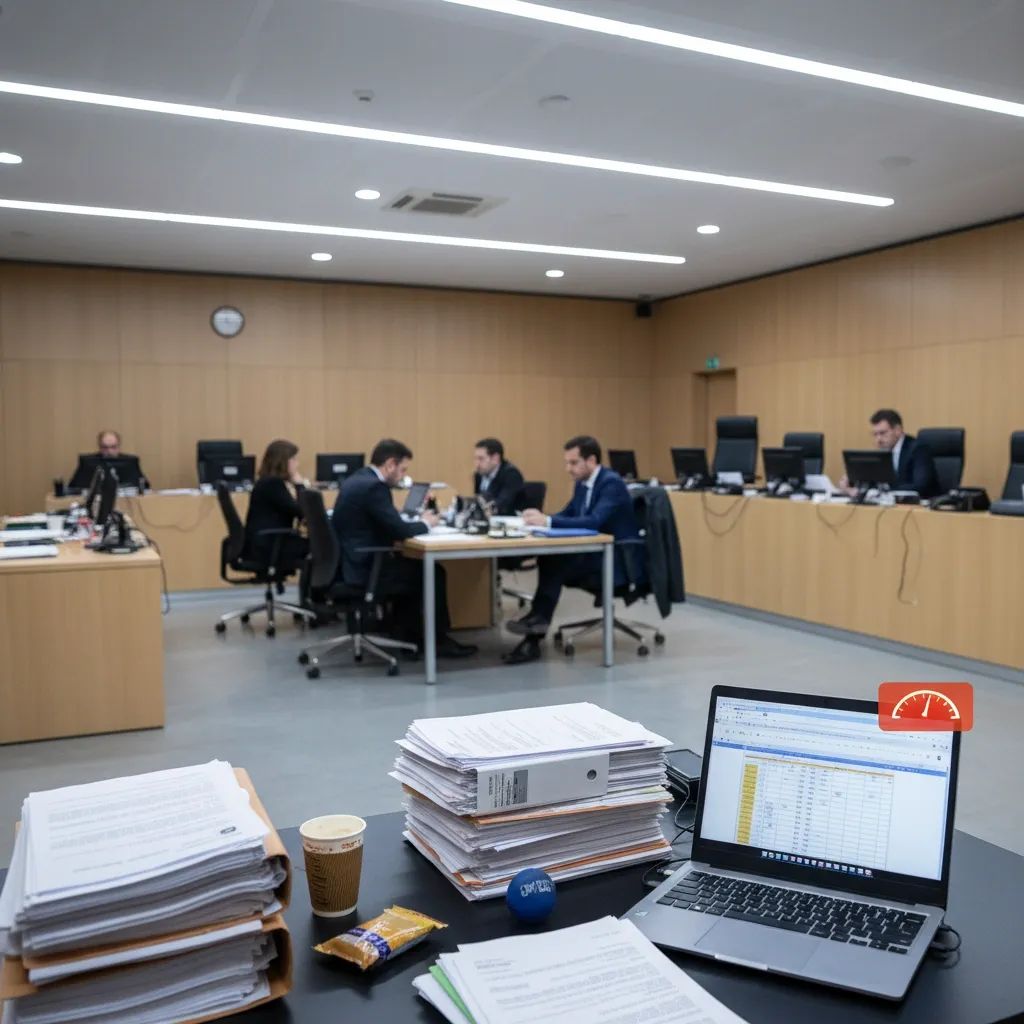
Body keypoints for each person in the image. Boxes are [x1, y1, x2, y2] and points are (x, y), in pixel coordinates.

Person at [332, 438, 477, 659]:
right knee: (432, 572)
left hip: (350, 563)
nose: (403, 476)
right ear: (390, 464)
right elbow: (400, 531)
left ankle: (407, 634)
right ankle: (436, 640)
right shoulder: (374, 487)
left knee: (412, 569)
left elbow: (387, 522)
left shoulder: (357, 479)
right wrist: (427, 523)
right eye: (402, 469)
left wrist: (408, 520)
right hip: (365, 568)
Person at [505, 435, 641, 660]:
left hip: (616, 559)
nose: (568, 468)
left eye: (573, 462)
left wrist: (548, 522)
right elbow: (568, 514)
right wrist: (540, 519)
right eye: (567, 462)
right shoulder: (582, 484)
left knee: (555, 561)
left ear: (592, 460)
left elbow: (594, 520)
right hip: (593, 554)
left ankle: (536, 626)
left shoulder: (611, 484)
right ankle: (537, 622)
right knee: (550, 557)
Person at [840, 409, 940, 498]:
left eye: (882, 433)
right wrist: (853, 484)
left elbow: (921, 485)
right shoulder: (882, 453)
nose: (878, 439)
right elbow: (873, 484)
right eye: (875, 434)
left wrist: (884, 492)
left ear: (898, 430)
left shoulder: (918, 449)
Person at [244, 439, 309, 573]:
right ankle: (316, 593)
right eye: (294, 459)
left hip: (266, 542)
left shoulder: (267, 482)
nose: (297, 464)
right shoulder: (273, 484)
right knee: (324, 548)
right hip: (270, 545)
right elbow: (302, 511)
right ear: (284, 461)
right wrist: (299, 485)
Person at [472, 438, 525, 516]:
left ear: (495, 458)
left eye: (481, 459)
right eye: (475, 459)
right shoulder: (479, 475)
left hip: (509, 520)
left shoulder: (511, 475)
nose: (477, 464)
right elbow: (478, 501)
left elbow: (502, 505)